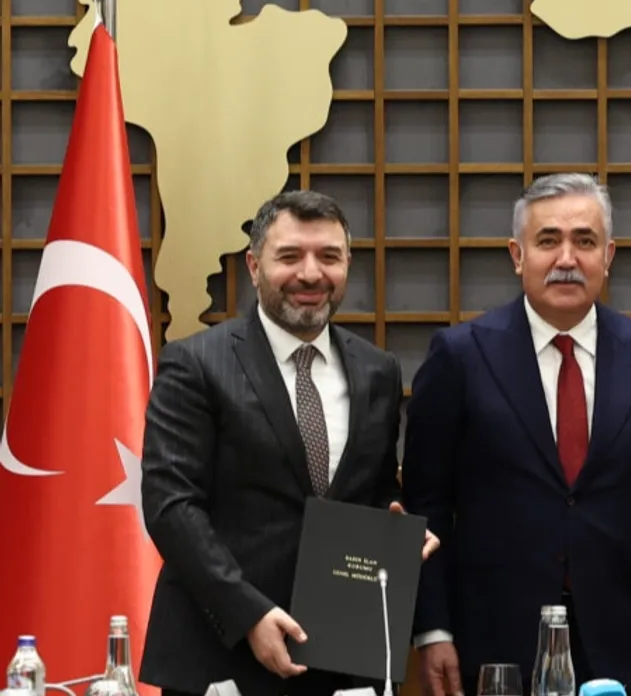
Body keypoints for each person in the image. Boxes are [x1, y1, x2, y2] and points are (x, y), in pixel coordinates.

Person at [402, 173, 631, 696]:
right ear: (517, 255)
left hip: (629, 639)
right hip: (495, 640)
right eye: (548, 241)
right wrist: (433, 628)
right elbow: (425, 504)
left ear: (608, 255)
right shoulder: (460, 356)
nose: (567, 258)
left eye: (585, 241)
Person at [137, 190, 439, 696]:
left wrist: (399, 531)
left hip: (342, 657)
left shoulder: (378, 371)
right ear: (254, 266)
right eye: (290, 256)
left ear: (348, 264)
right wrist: (248, 613)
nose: (311, 274)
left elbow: (375, 490)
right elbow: (171, 505)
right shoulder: (197, 363)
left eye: (329, 256)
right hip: (222, 652)